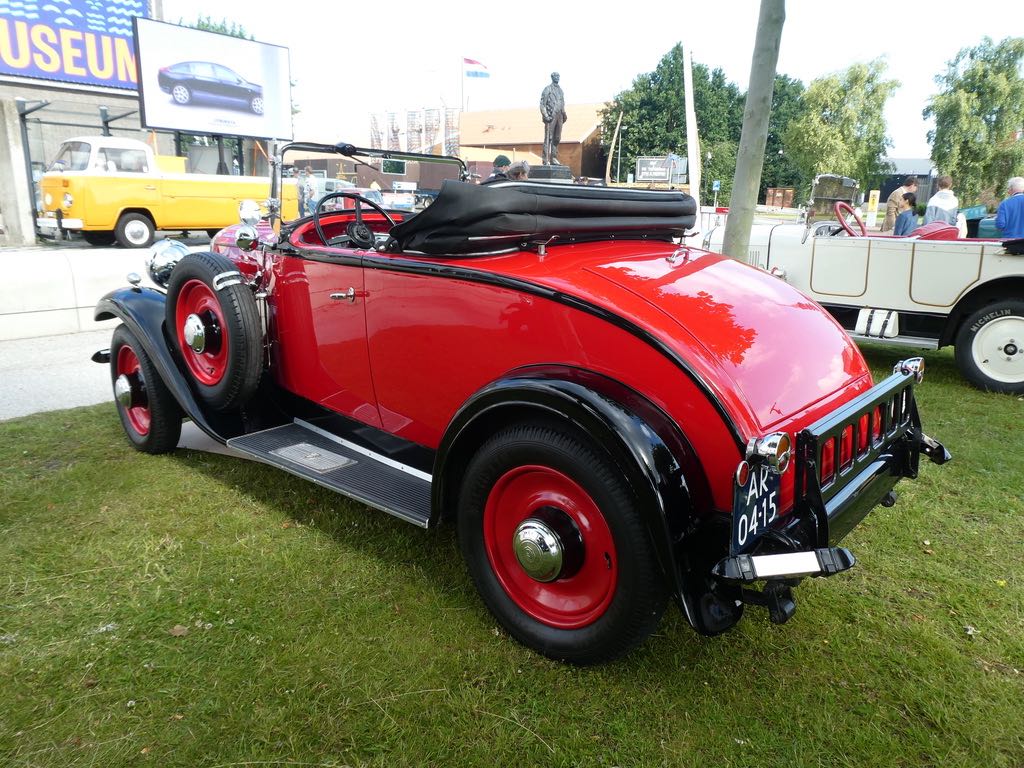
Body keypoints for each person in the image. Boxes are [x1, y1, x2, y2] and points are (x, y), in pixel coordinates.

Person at [539, 72, 568, 166]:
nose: (557, 77)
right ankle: (545, 159)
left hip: (560, 115)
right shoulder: (548, 89)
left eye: (558, 76)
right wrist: (546, 115)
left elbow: (562, 103)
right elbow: (542, 104)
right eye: (555, 76)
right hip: (551, 116)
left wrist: (564, 114)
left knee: (557, 138)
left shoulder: (561, 90)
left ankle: (553, 158)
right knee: (548, 138)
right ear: (552, 77)